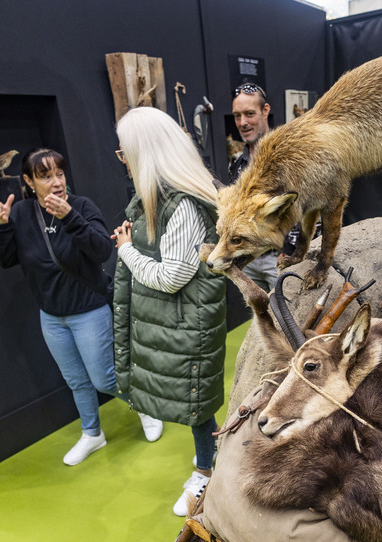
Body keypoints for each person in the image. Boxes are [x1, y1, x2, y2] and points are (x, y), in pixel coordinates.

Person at [0, 148, 162, 466]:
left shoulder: (81, 206)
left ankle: (146, 405)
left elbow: (101, 251)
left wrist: (68, 216)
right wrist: (2, 226)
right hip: (52, 316)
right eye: (45, 176)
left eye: (59, 174)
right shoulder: (22, 214)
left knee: (104, 379)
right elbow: (5, 260)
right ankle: (92, 433)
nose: (56, 182)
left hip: (89, 309)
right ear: (28, 181)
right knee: (76, 381)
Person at [113, 107, 227, 516]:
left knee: (197, 403)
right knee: (198, 404)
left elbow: (171, 277)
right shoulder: (154, 198)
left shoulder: (181, 205)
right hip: (174, 323)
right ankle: (211, 464)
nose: (121, 158)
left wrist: (126, 251)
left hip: (185, 324)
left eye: (124, 151)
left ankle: (207, 472)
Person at [228, 83, 280, 291]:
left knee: (293, 318)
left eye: (249, 114)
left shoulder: (286, 154)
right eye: (237, 115)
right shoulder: (238, 164)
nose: (243, 122)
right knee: (260, 318)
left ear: (265, 110)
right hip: (248, 259)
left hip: (279, 258)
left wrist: (292, 253)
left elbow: (308, 208)